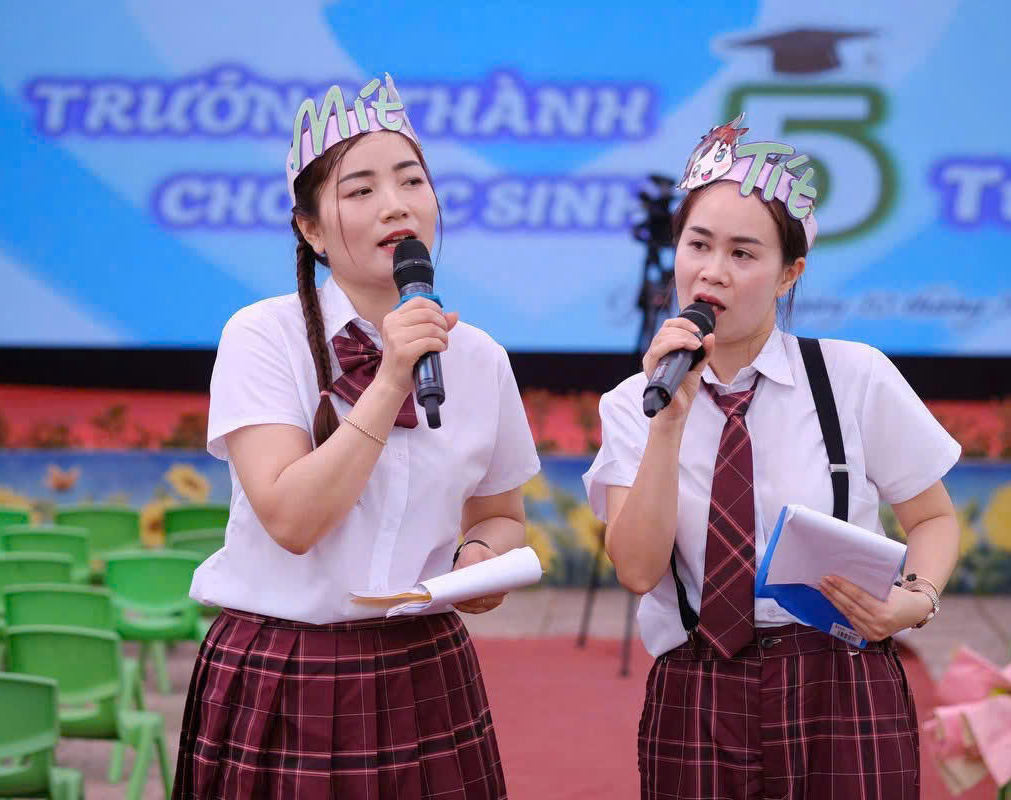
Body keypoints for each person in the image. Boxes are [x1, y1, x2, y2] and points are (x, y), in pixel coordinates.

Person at [173, 75, 540, 800]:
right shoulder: (263, 336)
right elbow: (292, 520)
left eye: (411, 180)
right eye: (361, 189)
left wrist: (479, 561)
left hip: (424, 668)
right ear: (310, 231)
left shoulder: (480, 358)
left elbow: (501, 516)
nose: (395, 203)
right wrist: (392, 376)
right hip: (285, 668)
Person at [583, 114, 961, 799]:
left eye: (743, 254)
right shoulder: (635, 402)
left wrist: (914, 602)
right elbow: (636, 569)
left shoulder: (852, 376)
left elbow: (933, 518)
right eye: (698, 244)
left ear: (790, 273)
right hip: (697, 684)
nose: (713, 272)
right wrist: (668, 425)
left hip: (841, 677)